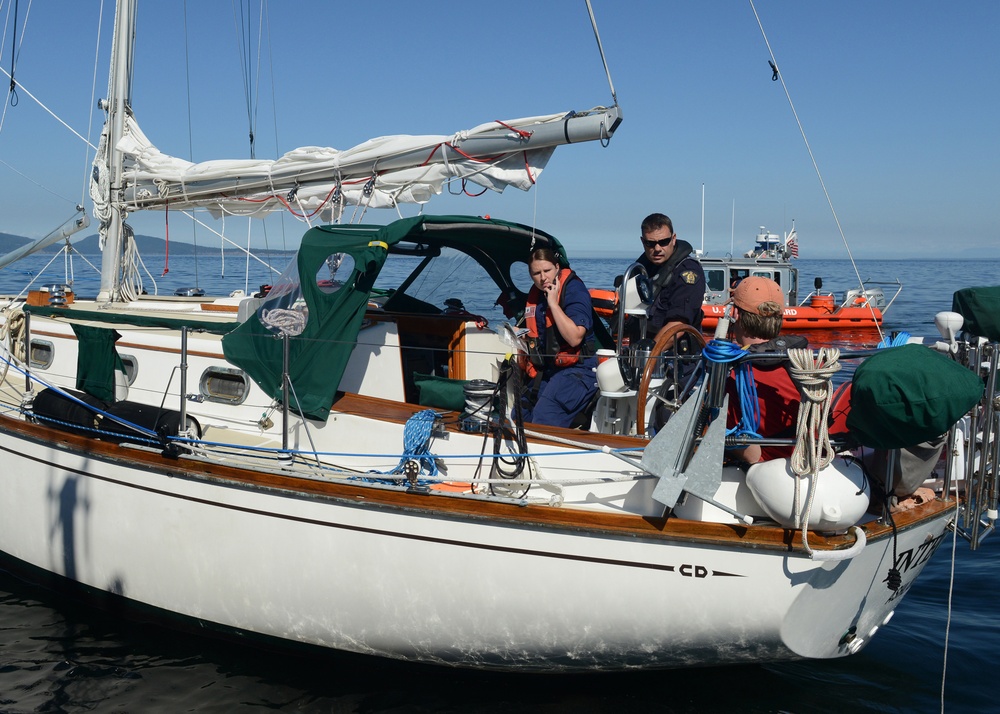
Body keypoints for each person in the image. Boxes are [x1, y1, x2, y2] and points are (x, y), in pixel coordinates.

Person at [724, 276, 806, 465]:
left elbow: (729, 435)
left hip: (765, 465)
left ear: (735, 314)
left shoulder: (730, 373)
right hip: (809, 456)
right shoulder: (807, 361)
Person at [520, 248, 598, 428]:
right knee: (520, 412)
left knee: (544, 416)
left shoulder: (573, 290)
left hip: (579, 370)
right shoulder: (537, 294)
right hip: (548, 370)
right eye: (536, 273)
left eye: (546, 271)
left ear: (557, 267)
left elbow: (575, 338)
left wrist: (553, 304)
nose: (542, 278)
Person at [635, 213, 705, 342]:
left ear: (673, 239)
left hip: (675, 357)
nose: (657, 248)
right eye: (650, 243)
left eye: (663, 242)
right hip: (640, 349)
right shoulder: (641, 270)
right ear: (642, 241)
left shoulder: (688, 272)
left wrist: (650, 356)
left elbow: (678, 325)